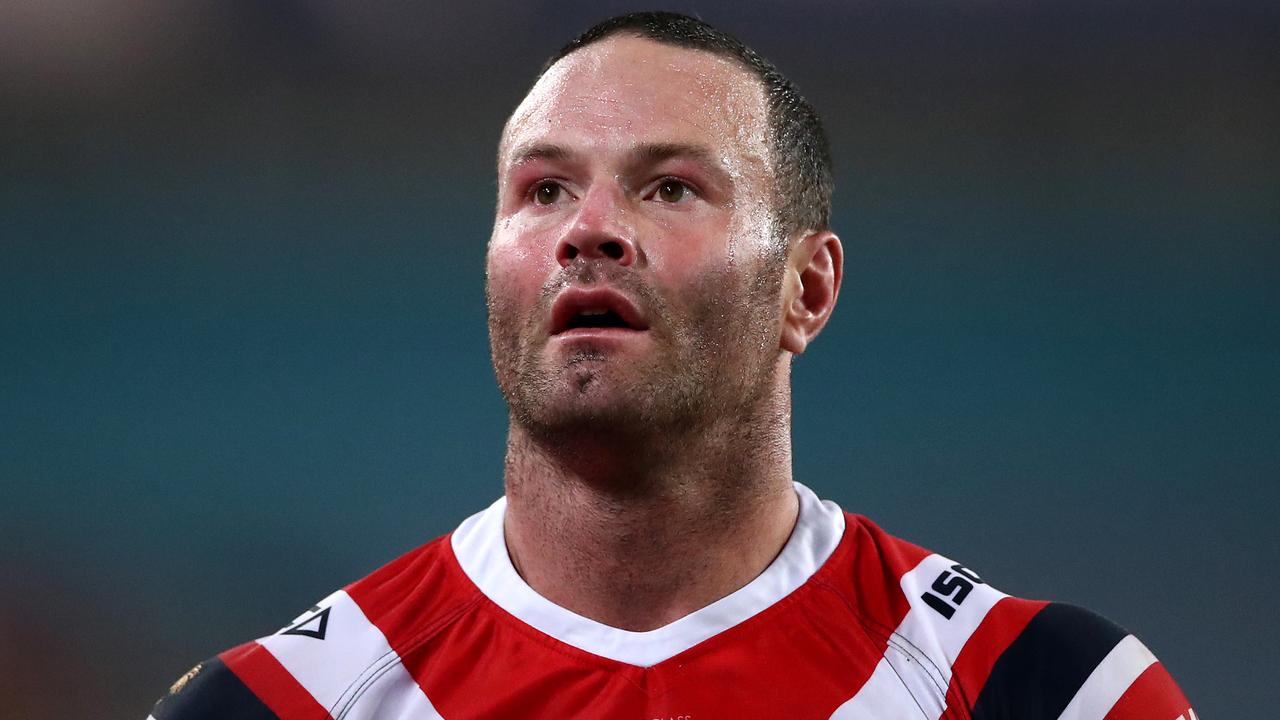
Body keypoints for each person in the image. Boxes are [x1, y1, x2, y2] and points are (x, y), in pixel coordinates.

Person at [149, 11, 1195, 719]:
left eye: (670, 189)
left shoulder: (1046, 694)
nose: (587, 231)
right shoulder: (280, 704)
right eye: (544, 189)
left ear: (808, 289)